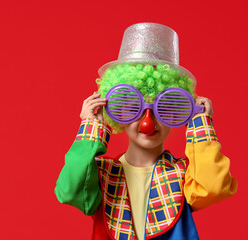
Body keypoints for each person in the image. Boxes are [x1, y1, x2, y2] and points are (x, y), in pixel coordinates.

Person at [54, 23, 237, 240]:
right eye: (133, 108)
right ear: (116, 111)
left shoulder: (185, 175)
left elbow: (214, 187)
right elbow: (71, 190)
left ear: (179, 112)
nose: (147, 123)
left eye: (164, 107)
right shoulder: (101, 174)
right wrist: (91, 126)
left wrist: (201, 125)